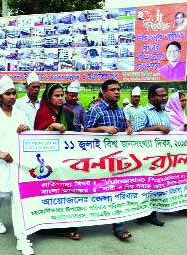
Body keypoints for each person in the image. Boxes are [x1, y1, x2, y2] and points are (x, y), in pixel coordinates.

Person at [0, 75, 33, 255]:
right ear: (0, 96)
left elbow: (29, 137)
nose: (12, 96)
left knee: (18, 200)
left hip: (17, 164)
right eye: (8, 93)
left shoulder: (21, 114)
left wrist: (23, 131)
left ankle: (22, 239)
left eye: (13, 93)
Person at [84, 79, 133, 241]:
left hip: (117, 160)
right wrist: (102, 129)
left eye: (118, 89)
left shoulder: (120, 110)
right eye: (112, 90)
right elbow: (85, 131)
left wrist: (128, 127)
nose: (117, 92)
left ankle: (119, 226)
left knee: (118, 190)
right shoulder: (95, 110)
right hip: (98, 160)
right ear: (104, 92)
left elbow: (123, 126)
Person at [34, 83, 79, 240]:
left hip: (65, 158)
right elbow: (37, 140)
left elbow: (74, 133)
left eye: (61, 95)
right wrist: (51, 126)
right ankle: (47, 225)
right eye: (56, 96)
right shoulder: (42, 113)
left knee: (66, 190)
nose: (60, 99)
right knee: (50, 191)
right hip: (47, 159)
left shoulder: (68, 112)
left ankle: (65, 224)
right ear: (49, 97)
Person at [131, 84, 171, 227]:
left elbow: (170, 130)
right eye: (160, 95)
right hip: (147, 157)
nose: (163, 98)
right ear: (152, 97)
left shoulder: (164, 112)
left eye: (164, 95)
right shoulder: (142, 112)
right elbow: (138, 130)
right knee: (146, 185)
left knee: (156, 185)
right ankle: (146, 214)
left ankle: (149, 213)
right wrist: (157, 128)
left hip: (162, 156)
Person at [165, 91, 187, 217]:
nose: (184, 103)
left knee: (184, 179)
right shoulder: (169, 114)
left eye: (185, 100)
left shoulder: (182, 114)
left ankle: (183, 205)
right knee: (171, 179)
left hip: (184, 153)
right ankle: (168, 205)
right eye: (182, 101)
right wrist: (182, 128)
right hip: (171, 153)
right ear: (175, 102)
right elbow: (168, 132)